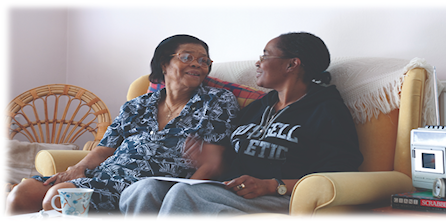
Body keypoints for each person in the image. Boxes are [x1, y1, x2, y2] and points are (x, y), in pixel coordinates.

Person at [119, 32, 363, 216]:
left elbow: (340, 173)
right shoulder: (258, 108)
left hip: (283, 197)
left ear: (292, 64)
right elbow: (225, 156)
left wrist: (272, 185)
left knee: (185, 196)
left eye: (265, 56)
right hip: (232, 190)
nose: (258, 63)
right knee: (145, 189)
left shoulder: (327, 110)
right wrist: (211, 156)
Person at [6, 34, 239, 215]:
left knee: (59, 196)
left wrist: (181, 199)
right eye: (187, 57)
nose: (198, 64)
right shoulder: (137, 104)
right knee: (22, 193)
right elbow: (106, 147)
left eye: (204, 61)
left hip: (146, 187)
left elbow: (213, 161)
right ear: (164, 64)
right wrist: (78, 168)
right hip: (105, 176)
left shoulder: (217, 101)